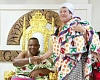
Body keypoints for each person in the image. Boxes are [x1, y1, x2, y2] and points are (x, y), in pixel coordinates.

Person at [34, 3, 100, 80]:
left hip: (76, 61)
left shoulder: (79, 23)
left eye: (65, 11)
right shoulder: (59, 30)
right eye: (61, 11)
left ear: (71, 13)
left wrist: (84, 31)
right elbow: (54, 48)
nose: (62, 13)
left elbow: (91, 40)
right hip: (63, 62)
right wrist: (42, 57)